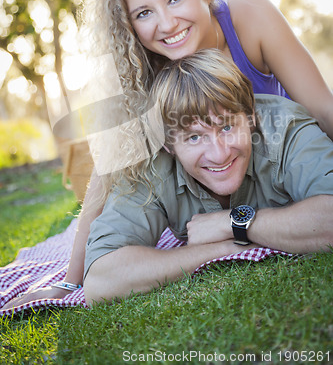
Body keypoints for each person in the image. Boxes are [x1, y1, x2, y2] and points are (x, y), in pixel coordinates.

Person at [3, 0, 333, 309]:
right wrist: (73, 281)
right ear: (129, 23)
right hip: (210, 194)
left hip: (282, 174)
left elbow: (323, 110)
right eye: (144, 13)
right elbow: (105, 179)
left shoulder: (249, 16)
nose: (166, 24)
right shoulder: (138, 70)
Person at [83, 49, 333, 303]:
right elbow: (100, 280)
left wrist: (231, 224)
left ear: (250, 118)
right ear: (168, 144)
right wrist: (224, 248)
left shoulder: (286, 126)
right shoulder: (150, 164)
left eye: (226, 126)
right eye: (194, 137)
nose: (219, 154)